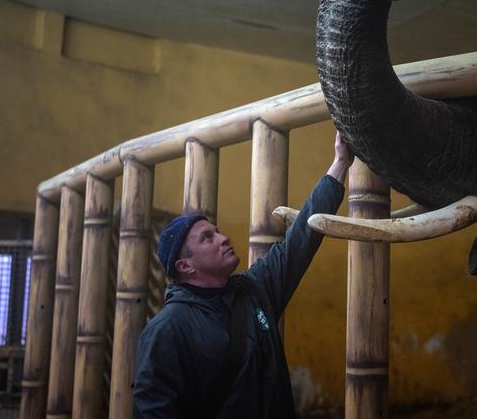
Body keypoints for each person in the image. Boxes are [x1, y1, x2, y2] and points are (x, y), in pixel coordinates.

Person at [133, 132, 353, 419]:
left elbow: (299, 241)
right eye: (207, 238)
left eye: (217, 231)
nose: (223, 238)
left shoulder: (254, 289)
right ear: (185, 266)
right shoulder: (167, 330)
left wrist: (340, 163)